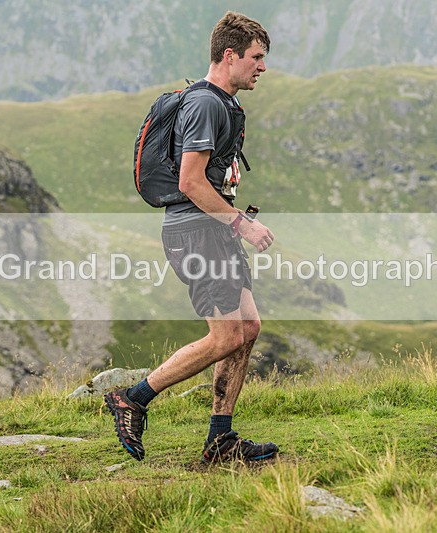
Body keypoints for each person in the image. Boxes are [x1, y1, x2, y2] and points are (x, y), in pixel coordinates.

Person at [105, 11, 277, 464]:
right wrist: (242, 223)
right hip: (197, 231)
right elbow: (190, 182)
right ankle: (133, 398)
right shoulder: (204, 105)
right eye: (256, 57)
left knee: (248, 329)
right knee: (224, 338)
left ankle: (220, 439)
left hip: (212, 231)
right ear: (229, 54)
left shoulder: (223, 103)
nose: (262, 67)